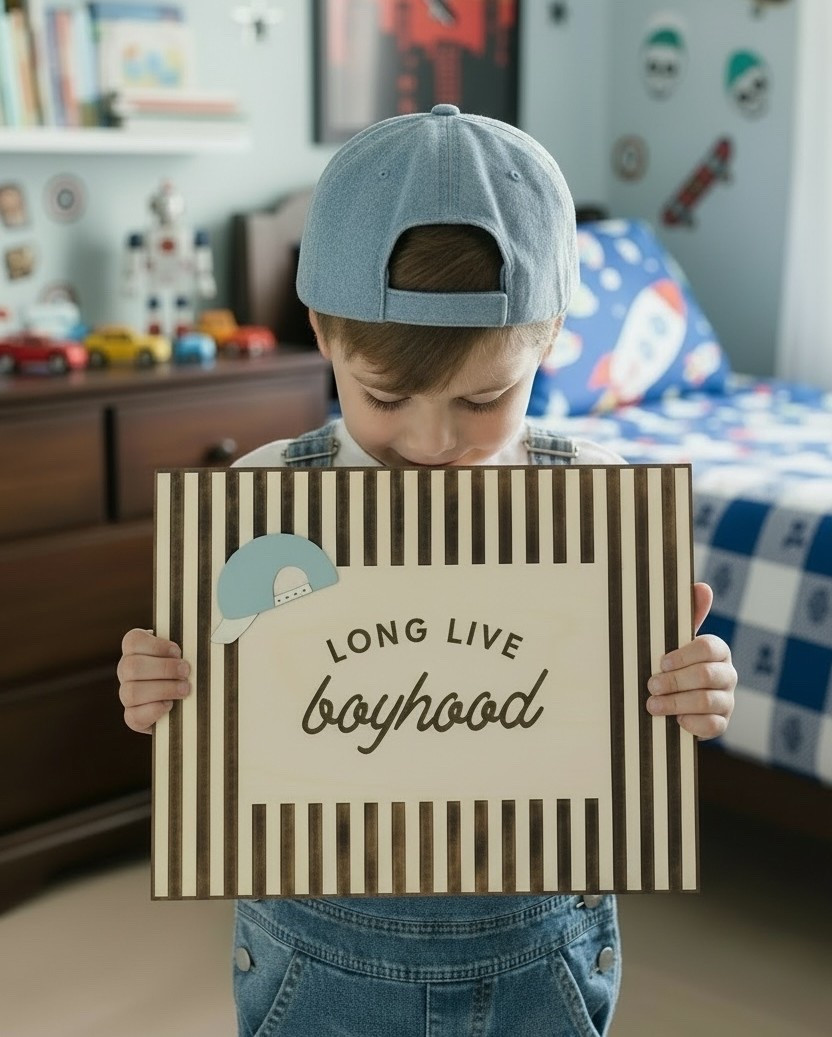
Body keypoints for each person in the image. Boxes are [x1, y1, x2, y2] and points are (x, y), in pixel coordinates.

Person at [117, 105, 736, 1036]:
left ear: (551, 334)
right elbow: (217, 721)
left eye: (485, 398)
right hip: (314, 953)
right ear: (324, 334)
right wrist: (160, 689)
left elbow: (635, 726)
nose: (434, 441)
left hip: (541, 950)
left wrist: (694, 690)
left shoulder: (604, 503)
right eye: (385, 396)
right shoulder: (258, 503)